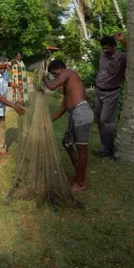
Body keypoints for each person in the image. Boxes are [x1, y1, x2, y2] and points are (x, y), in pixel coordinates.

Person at [43, 60, 94, 192]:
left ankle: (81, 182)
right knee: (66, 142)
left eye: (55, 74)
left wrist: (43, 77)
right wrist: (45, 121)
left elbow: (51, 86)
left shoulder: (68, 72)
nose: (56, 78)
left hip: (82, 113)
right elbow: (60, 112)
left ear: (60, 68)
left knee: (81, 149)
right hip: (76, 114)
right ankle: (79, 173)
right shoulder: (67, 92)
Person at [0, 56, 25, 160]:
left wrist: (16, 86)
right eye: (0, 68)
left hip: (1, 106)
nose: (3, 71)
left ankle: (2, 150)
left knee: (2, 129)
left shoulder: (5, 71)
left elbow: (7, 82)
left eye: (4, 68)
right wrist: (14, 106)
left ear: (6, 65)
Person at [93, 33, 127, 158]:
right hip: (99, 92)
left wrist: (124, 41)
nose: (105, 51)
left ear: (114, 47)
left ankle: (110, 148)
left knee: (106, 121)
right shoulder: (102, 55)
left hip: (111, 93)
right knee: (99, 119)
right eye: (103, 48)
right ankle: (104, 147)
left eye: (108, 48)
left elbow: (131, 55)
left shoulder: (121, 57)